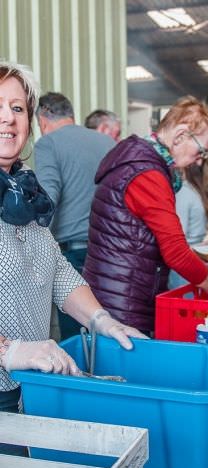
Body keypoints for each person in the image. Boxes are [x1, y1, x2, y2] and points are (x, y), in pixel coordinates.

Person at [0, 61, 147, 441]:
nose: (8, 119)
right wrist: (8, 351)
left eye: (18, 108)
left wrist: (100, 319)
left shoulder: (23, 195)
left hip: (26, 391)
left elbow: (59, 273)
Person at [83, 96, 208, 336]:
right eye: (201, 150)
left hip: (115, 292)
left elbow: (137, 239)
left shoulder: (138, 162)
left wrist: (195, 257)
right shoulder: (148, 175)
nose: (200, 159)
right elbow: (176, 253)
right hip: (123, 301)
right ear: (181, 135)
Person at [34, 92, 116, 340]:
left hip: (74, 255)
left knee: (80, 338)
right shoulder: (107, 143)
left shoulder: (48, 143)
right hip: (111, 252)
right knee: (108, 327)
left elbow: (47, 197)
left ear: (43, 119)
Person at [168, 156, 208, 289]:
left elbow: (179, 234)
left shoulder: (184, 192)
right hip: (194, 259)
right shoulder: (198, 193)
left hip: (186, 264)